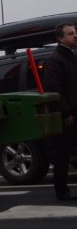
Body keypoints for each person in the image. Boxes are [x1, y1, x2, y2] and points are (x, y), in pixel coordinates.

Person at [45, 22, 77, 201]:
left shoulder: (73, 57)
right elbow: (54, 89)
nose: (75, 36)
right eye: (70, 33)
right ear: (60, 38)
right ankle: (62, 191)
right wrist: (65, 113)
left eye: (75, 32)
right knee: (63, 153)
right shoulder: (55, 60)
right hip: (67, 115)